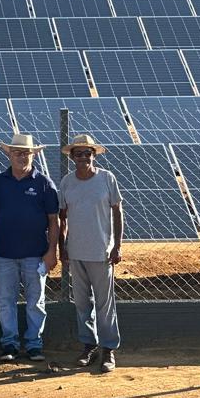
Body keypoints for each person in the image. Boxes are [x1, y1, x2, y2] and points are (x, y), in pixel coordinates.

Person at [0, 133, 59, 363]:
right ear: (9, 154)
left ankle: (34, 344)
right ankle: (9, 343)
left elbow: (53, 220)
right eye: (17, 152)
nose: (22, 156)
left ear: (33, 155)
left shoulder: (44, 183)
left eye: (26, 152)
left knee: (35, 302)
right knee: (5, 301)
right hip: (4, 254)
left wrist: (52, 250)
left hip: (35, 254)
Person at [58, 134, 123, 374]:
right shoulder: (67, 182)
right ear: (72, 157)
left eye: (88, 153)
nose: (83, 157)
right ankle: (89, 345)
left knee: (105, 304)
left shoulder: (107, 178)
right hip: (76, 252)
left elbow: (117, 212)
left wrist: (117, 246)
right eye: (78, 153)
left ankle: (108, 349)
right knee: (82, 303)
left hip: (101, 252)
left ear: (94, 155)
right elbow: (62, 217)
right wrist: (62, 246)